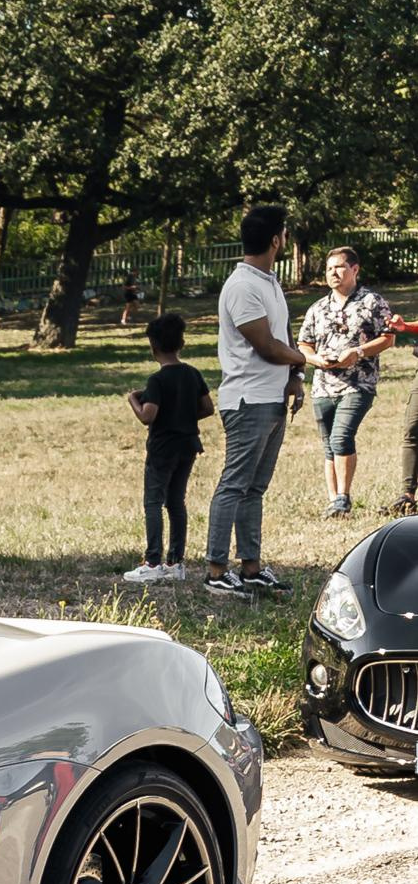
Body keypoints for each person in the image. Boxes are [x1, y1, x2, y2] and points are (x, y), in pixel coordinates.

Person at [205, 204, 299, 600]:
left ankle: (251, 568)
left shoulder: (269, 281)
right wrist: (306, 358)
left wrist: (295, 377)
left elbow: (284, 335)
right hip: (248, 400)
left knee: (255, 488)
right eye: (284, 232)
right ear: (276, 239)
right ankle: (214, 571)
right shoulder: (242, 286)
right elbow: (267, 346)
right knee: (234, 485)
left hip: (272, 397)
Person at [297, 246, 399, 516]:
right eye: (329, 268)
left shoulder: (372, 302)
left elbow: (388, 338)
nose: (333, 273)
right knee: (328, 443)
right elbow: (304, 344)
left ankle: (343, 497)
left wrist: (359, 352)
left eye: (339, 267)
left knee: (342, 436)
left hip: (358, 383)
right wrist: (314, 359)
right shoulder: (318, 308)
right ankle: (334, 502)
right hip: (322, 385)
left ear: (354, 269)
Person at [122, 312, 212, 583]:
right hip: (188, 444)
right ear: (181, 343)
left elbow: (148, 416)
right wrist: (183, 415)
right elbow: (207, 407)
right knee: (176, 501)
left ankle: (152, 562)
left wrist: (132, 401)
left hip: (163, 448)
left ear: (153, 347)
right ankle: (175, 561)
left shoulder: (157, 381)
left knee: (153, 501)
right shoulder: (192, 373)